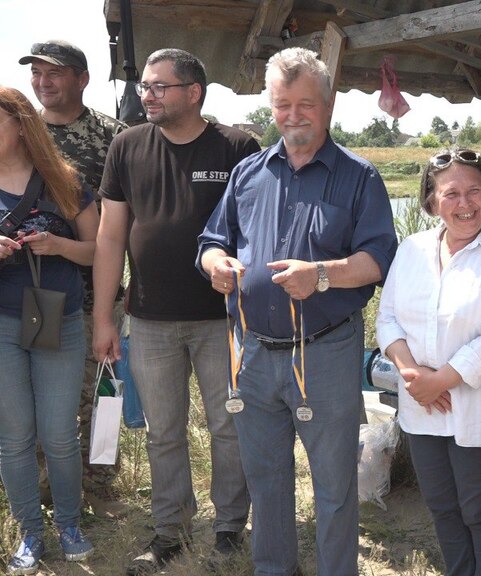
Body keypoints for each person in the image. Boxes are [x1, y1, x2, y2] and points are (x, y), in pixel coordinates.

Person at [198, 47, 397, 576]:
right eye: (282, 104)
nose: (292, 116)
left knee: (334, 486)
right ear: (271, 104)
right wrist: (215, 265)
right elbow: (212, 240)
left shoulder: (360, 177)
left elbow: (378, 258)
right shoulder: (248, 173)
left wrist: (323, 274)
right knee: (266, 481)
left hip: (327, 352)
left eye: (304, 103)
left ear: (326, 104)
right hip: (255, 354)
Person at [92, 48, 258, 575]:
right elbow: (110, 234)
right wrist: (104, 317)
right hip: (148, 317)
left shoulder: (237, 146)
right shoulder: (126, 145)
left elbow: (256, 230)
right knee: (163, 430)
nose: (148, 94)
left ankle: (230, 527)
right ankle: (170, 530)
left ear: (194, 92)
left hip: (221, 319)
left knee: (228, 427)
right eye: (145, 86)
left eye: (160, 86)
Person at [376, 149, 481, 576]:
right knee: (443, 507)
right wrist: (413, 375)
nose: (465, 204)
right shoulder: (411, 250)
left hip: (479, 407)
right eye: (451, 194)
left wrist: (442, 379)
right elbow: (386, 317)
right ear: (431, 202)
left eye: (474, 191)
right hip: (421, 405)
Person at [19, 39, 129, 518]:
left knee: (103, 392)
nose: (44, 83)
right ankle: (51, 489)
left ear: (82, 79)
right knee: (44, 395)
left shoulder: (116, 136)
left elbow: (134, 217)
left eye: (55, 73)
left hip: (99, 292)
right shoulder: (20, 135)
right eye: (37, 74)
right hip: (36, 292)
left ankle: (103, 488)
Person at [0, 86, 99, 574]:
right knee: (14, 437)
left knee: (60, 435)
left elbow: (99, 251)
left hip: (57, 317)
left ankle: (68, 524)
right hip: (1, 324)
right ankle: (30, 534)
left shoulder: (65, 181)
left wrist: (59, 246)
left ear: (20, 125)